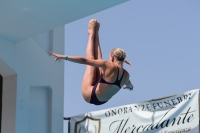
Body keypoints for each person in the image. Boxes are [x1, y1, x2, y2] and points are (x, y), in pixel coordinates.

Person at [50, 19, 133, 105]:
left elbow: (84, 60)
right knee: (99, 62)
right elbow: (130, 84)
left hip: (90, 95)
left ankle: (92, 34)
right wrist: (131, 87)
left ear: (112, 57)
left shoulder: (109, 66)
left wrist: (64, 57)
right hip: (102, 100)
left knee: (91, 59)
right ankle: (96, 33)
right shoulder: (126, 75)